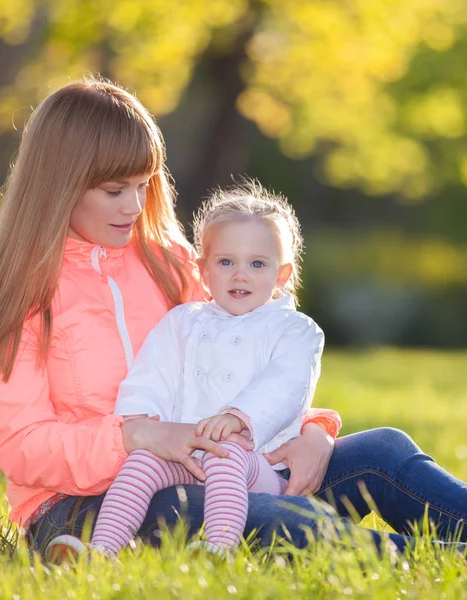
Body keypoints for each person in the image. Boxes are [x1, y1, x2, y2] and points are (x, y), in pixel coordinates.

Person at [0, 78, 467, 563]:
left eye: (143, 185)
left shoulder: (168, 261)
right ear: (59, 184)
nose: (134, 206)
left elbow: (243, 356)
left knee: (382, 450)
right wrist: (138, 437)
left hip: (226, 465)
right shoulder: (12, 294)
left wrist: (314, 431)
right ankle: (445, 561)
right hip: (84, 505)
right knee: (252, 516)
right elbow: (23, 449)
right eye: (115, 190)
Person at [86, 183, 324, 557]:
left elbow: (287, 386)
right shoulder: (183, 321)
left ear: (282, 274)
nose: (240, 275)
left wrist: (238, 418)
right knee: (142, 463)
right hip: (187, 456)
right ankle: (100, 550)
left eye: (257, 264)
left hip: (257, 465)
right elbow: (152, 375)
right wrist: (144, 422)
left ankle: (219, 549)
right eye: (226, 262)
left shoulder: (295, 330)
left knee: (226, 454)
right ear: (204, 270)